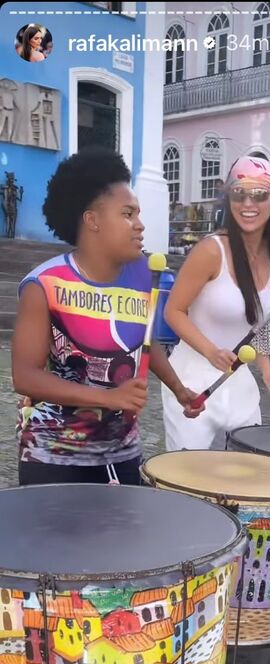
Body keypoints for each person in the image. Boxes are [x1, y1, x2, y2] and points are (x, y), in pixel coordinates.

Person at [12, 147, 202, 486]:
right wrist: (108, 397)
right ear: (93, 220)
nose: (140, 225)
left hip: (122, 453)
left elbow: (142, 340)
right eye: (127, 213)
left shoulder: (143, 273)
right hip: (54, 455)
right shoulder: (45, 285)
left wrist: (178, 388)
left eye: (139, 214)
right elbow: (25, 377)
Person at [161, 155, 270, 450]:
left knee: (246, 474)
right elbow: (173, 311)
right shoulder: (211, 250)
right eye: (239, 193)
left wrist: (267, 370)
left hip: (238, 382)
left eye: (259, 194)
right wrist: (210, 351)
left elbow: (262, 321)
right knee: (189, 480)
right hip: (191, 381)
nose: (248, 203)